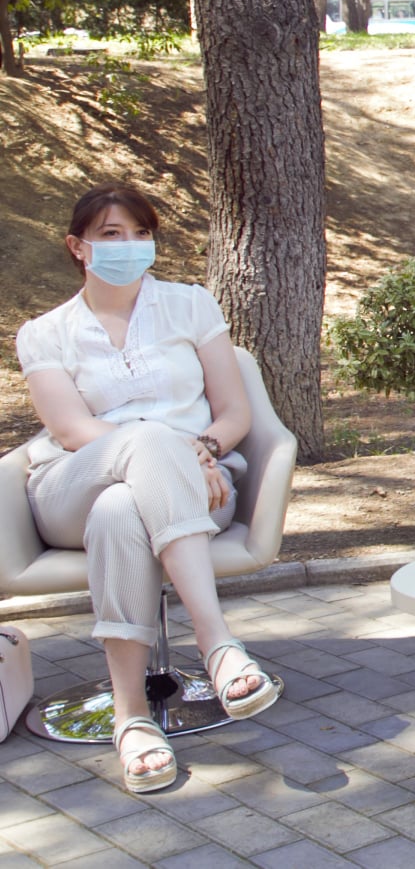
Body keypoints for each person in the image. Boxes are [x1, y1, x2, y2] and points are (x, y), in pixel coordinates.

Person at [16, 184, 280, 794]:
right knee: (138, 454)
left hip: (198, 485)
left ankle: (131, 718)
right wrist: (171, 448)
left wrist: (201, 450)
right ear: (78, 247)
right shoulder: (45, 332)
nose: (130, 245)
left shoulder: (190, 305)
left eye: (140, 233)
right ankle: (217, 643)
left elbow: (234, 412)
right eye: (111, 234)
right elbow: (71, 429)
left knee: (120, 510)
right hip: (72, 486)